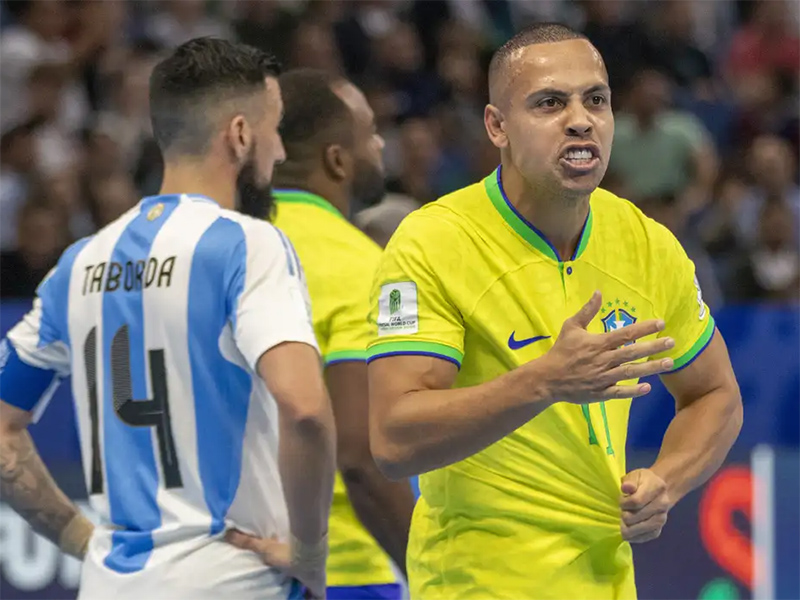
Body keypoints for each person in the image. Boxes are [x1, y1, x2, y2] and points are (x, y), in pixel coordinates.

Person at [366, 23, 743, 599]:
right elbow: (394, 441)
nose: (580, 119)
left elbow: (715, 395)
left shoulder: (648, 245)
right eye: (549, 103)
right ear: (497, 127)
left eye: (596, 99)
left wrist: (666, 480)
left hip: (607, 583)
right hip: (475, 584)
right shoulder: (433, 242)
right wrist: (545, 381)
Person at [0, 38, 336, 600]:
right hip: (233, 579)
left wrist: (80, 538)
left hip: (108, 585)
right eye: (275, 129)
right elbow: (304, 409)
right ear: (239, 134)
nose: (279, 152)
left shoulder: (79, 261)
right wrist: (310, 550)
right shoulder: (248, 245)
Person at [231, 68, 416, 600]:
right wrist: (433, 574)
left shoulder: (221, 248)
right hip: (344, 568)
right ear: (338, 160)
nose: (381, 144)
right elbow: (361, 459)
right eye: (371, 132)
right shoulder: (373, 268)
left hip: (225, 559)